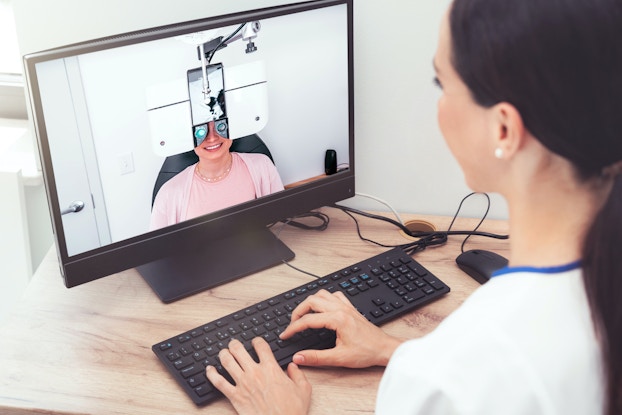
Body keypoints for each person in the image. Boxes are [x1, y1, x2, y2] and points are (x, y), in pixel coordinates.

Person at [203, 0, 622, 414]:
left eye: (442, 84)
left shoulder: (451, 378)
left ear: (504, 129)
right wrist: (396, 351)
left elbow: (472, 382)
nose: (438, 107)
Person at [150, 120, 284, 230]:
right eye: (201, 131)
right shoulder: (168, 193)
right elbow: (158, 252)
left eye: (220, 126)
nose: (212, 138)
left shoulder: (262, 166)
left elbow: (282, 224)